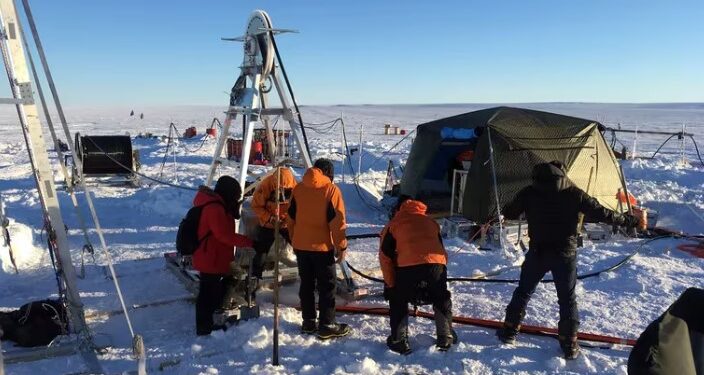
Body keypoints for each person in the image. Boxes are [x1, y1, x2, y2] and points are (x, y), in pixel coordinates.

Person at [496, 161, 640, 359]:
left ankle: (509, 332)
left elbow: (510, 212)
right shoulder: (574, 193)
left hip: (538, 252)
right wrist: (628, 220)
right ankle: (569, 344)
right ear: (562, 174)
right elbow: (602, 213)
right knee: (567, 299)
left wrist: (506, 207)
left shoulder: (529, 192)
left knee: (523, 291)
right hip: (565, 254)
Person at [379, 198, 456, 354]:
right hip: (435, 266)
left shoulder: (393, 224)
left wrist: (391, 284)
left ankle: (399, 340)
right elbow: (441, 251)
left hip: (407, 267)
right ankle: (445, 335)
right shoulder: (431, 222)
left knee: (399, 299)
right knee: (441, 297)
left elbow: (385, 257)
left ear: (399, 209)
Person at [287, 159, 351, 339]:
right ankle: (327, 324)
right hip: (322, 248)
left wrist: (294, 240)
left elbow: (290, 219)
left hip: (301, 246)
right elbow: (337, 223)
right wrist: (341, 246)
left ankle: (308, 322)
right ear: (329, 174)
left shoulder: (298, 189)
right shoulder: (331, 190)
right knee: (326, 286)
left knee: (306, 285)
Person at [192, 176, 254, 336]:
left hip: (214, 255)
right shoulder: (214, 208)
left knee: (219, 284)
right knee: (206, 293)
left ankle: (216, 312)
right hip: (210, 256)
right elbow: (223, 235)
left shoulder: (217, 204)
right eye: (234, 196)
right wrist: (248, 242)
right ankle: (204, 326)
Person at [250, 167, 297, 290]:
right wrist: (270, 218)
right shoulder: (265, 186)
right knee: (262, 250)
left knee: (299, 245)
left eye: (285, 190)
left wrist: (287, 220)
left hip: (286, 222)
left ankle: (309, 272)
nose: (282, 192)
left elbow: (299, 208)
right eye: (279, 189)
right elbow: (256, 206)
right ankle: (254, 279)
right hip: (269, 222)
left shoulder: (296, 188)